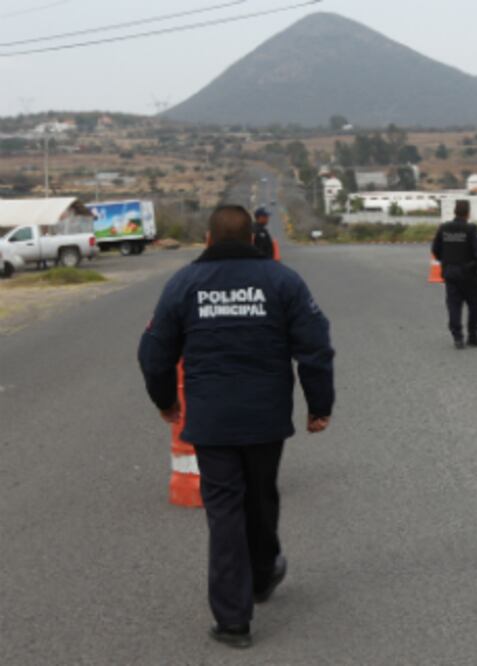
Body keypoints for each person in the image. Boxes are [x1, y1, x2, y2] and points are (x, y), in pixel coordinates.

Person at [138, 205, 334, 648]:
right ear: (252, 238)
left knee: (225, 510)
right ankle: (262, 578)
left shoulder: (184, 284)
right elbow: (316, 347)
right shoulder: (283, 282)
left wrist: (165, 400)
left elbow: (154, 350)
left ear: (208, 238)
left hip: (211, 420)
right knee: (261, 496)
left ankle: (233, 621)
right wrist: (319, 405)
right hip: (265, 417)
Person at [431, 200, 477, 349]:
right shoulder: (471, 229)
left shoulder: (444, 228)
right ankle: (473, 336)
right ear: (468, 213)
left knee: (453, 305)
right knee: (474, 306)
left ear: (455, 211)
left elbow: (435, 249)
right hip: (469, 274)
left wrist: (445, 261)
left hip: (450, 273)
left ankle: (457, 337)